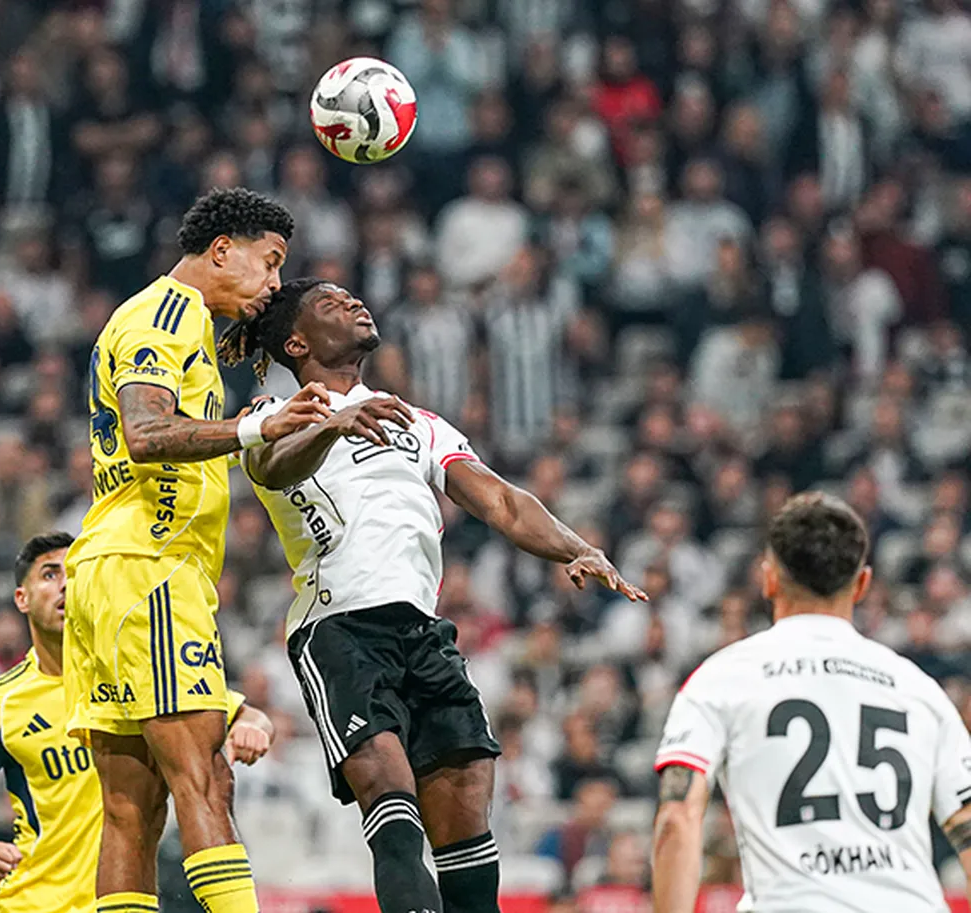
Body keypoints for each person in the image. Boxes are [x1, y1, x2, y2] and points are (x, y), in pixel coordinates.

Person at [218, 278, 645, 913]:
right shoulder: (269, 414)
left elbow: (499, 498)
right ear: (298, 341)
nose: (356, 304)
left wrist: (573, 545)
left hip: (422, 632)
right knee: (392, 799)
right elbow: (274, 467)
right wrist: (334, 424)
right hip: (339, 629)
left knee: (468, 813)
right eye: (333, 304)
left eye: (353, 297)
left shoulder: (415, 421)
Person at [63, 187, 328, 913]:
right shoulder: (165, 315)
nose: (276, 282)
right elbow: (147, 433)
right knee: (206, 775)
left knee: (132, 809)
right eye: (269, 262)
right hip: (149, 567)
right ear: (221, 250)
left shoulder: (180, 326)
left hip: (115, 572)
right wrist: (252, 427)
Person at [651, 493, 971, 912]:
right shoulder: (919, 689)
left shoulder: (721, 678)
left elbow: (678, 819)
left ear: (768, 579)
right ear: (862, 584)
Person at [0, 532, 273, 913]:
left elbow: (243, 712)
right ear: (21, 599)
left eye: (74, 573)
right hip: (32, 905)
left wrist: (253, 726)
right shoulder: (1, 704)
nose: (64, 585)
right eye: (49, 575)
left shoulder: (136, 677)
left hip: (123, 902)